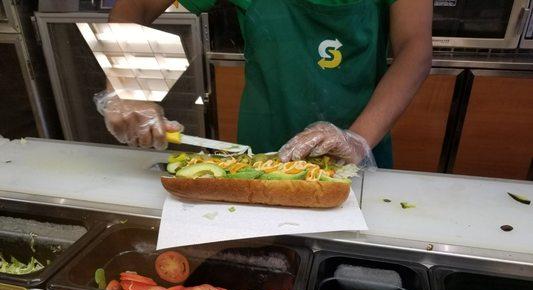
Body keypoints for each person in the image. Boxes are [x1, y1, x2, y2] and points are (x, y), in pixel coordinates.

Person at [97, 0, 432, 168]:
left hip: (359, 142)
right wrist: (127, 87)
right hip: (264, 148)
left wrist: (358, 139)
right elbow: (135, 7)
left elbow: (414, 46)